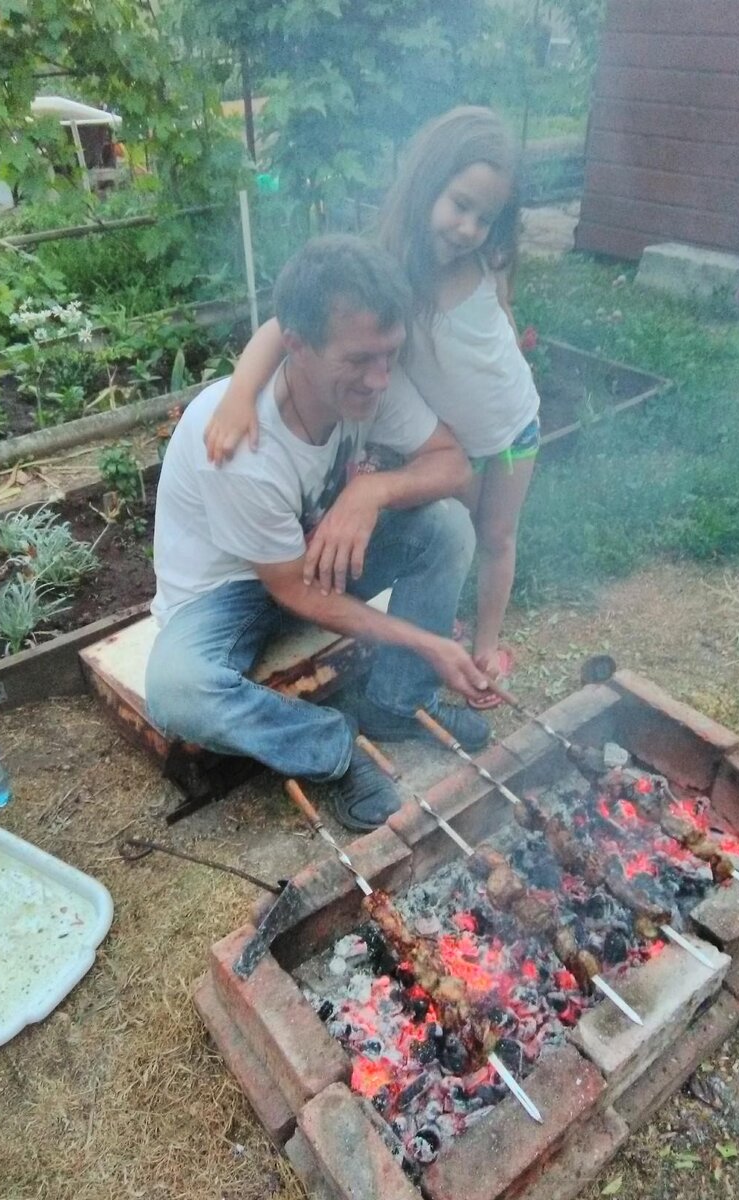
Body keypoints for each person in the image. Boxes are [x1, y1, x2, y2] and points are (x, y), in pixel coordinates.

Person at [145, 235, 492, 832]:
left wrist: (371, 491)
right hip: (229, 593)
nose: (380, 379)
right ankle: (333, 750)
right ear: (296, 348)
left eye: (390, 354)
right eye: (359, 360)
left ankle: (396, 702)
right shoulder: (240, 447)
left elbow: (453, 465)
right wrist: (428, 642)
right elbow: (294, 594)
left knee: (446, 525)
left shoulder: (371, 382)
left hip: (306, 560)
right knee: (178, 691)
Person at [204, 107, 540, 709]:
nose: (467, 228)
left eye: (484, 218)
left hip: (512, 425)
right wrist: (237, 393)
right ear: (425, 185)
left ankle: (483, 648)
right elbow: (286, 327)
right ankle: (432, 646)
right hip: (450, 430)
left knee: (495, 536)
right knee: (449, 530)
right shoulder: (385, 268)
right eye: (459, 205)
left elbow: (498, 325)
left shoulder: (483, 265)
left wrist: (507, 358)